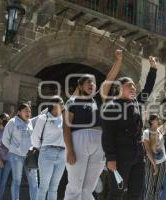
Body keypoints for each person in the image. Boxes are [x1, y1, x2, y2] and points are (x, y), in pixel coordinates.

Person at [63, 49, 124, 200]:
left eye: (94, 82)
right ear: (81, 86)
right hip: (79, 140)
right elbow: (66, 127)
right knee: (75, 187)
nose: (92, 84)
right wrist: (70, 150)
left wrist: (118, 60)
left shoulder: (98, 99)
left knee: (89, 188)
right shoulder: (72, 102)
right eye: (88, 82)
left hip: (99, 142)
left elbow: (110, 78)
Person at [101, 56, 157, 200]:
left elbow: (148, 88)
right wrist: (110, 158)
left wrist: (153, 68)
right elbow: (107, 135)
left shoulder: (137, 103)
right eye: (129, 85)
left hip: (138, 156)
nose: (133, 88)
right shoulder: (111, 106)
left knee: (136, 193)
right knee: (116, 193)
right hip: (120, 156)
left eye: (134, 85)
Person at [31, 96, 65, 200]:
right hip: (47, 153)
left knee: (54, 188)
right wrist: (41, 148)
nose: (63, 106)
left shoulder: (65, 119)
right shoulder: (44, 118)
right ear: (54, 105)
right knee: (43, 187)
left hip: (62, 154)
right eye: (61, 104)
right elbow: (34, 137)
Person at [2, 103, 38, 200]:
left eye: (29, 111)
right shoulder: (12, 122)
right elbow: (5, 139)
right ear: (19, 112)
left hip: (30, 156)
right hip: (16, 156)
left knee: (34, 182)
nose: (28, 113)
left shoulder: (31, 122)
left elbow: (41, 116)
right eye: (26, 111)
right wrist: (13, 148)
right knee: (17, 181)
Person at [143, 114, 166, 200]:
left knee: (158, 189)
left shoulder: (160, 130)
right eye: (157, 118)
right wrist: (154, 165)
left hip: (163, 162)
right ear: (152, 121)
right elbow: (147, 150)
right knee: (149, 188)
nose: (159, 119)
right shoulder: (146, 132)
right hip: (151, 162)